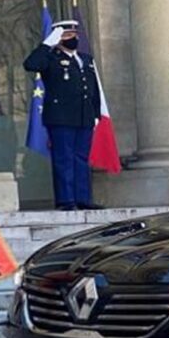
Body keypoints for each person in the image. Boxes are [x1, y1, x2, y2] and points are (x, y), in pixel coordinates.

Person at [23, 20, 101, 211]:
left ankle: (83, 198)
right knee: (64, 158)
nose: (72, 38)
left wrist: (95, 113)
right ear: (57, 38)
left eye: (74, 34)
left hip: (84, 116)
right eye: (67, 35)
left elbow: (93, 88)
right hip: (61, 117)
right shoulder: (50, 58)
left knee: (81, 158)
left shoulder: (85, 59)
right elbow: (31, 64)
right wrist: (46, 45)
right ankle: (66, 200)